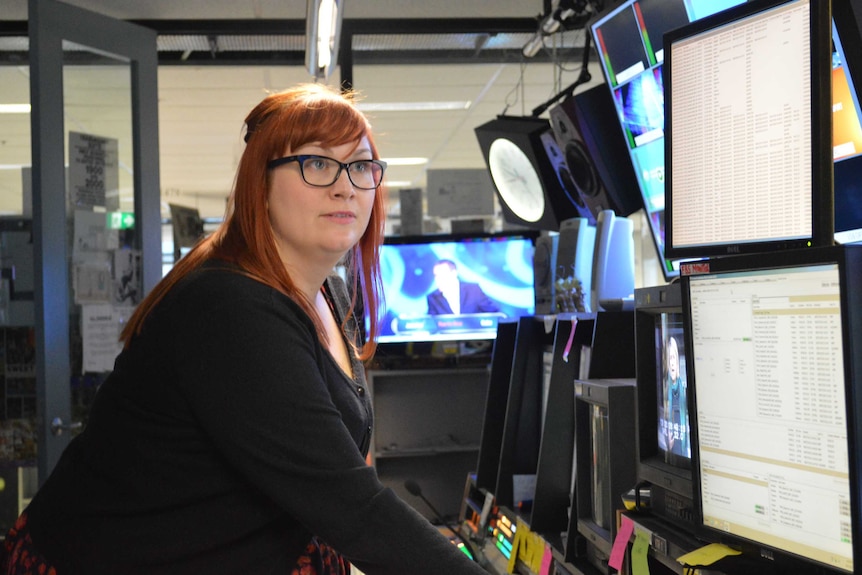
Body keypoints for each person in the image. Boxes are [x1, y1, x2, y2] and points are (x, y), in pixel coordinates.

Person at [0, 84, 487, 575]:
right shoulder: (230, 308)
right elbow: (353, 509)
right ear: (261, 184)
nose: (346, 186)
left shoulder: (332, 295)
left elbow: (336, 475)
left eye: (361, 166)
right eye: (316, 163)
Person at [426, 259, 499, 315]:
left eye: (442, 274)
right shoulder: (433, 297)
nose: (438, 279)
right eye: (436, 275)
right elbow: (431, 323)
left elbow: (494, 313)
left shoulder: (473, 290)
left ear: (454, 273)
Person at [663, 335, 689, 458]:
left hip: (684, 447)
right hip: (672, 449)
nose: (672, 363)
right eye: (669, 359)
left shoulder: (682, 386)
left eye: (673, 358)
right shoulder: (666, 388)